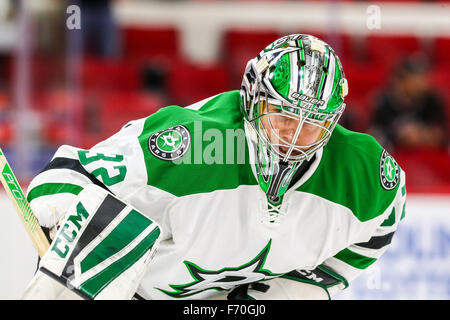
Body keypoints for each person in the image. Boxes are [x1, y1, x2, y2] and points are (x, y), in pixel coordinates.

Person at [23, 34, 406, 300]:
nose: (295, 134)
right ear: (252, 98)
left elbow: (382, 225)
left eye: (313, 122)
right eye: (284, 115)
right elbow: (68, 173)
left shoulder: (365, 172)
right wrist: (68, 209)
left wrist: (302, 288)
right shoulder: (187, 142)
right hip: (136, 291)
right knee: (111, 220)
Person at [370, 53, 448, 151]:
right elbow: (376, 135)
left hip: (428, 158)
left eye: (423, 76)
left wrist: (421, 135)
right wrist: (399, 135)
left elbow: (440, 133)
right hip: (395, 159)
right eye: (415, 77)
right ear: (402, 79)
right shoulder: (384, 102)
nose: (420, 82)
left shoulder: (433, 101)